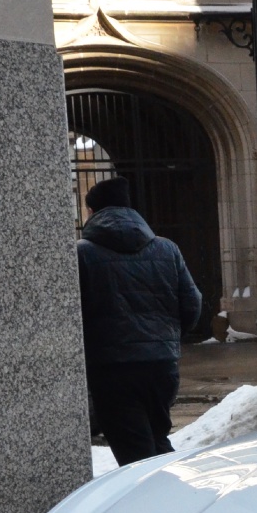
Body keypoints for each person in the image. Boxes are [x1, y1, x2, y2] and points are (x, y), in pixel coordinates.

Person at [76, 176, 202, 465]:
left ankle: (162, 505)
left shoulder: (82, 254)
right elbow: (192, 304)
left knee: (135, 454)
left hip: (112, 368)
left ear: (93, 213)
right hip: (161, 364)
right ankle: (179, 500)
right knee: (157, 440)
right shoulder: (167, 249)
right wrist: (166, 338)